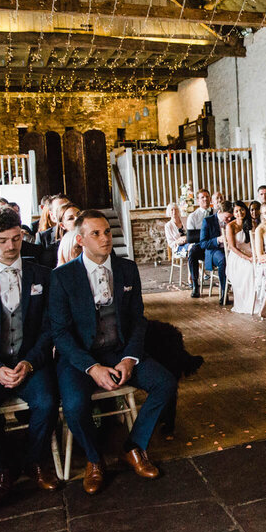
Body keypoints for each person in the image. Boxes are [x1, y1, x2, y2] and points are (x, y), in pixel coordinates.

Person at [49, 211, 177, 495]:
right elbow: (60, 333)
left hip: (119, 351)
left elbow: (138, 319)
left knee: (165, 382)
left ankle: (133, 447)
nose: (105, 238)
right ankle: (94, 461)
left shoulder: (126, 269)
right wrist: (91, 367)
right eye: (96, 234)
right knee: (74, 405)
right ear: (80, 240)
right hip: (80, 358)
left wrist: (129, 359)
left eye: (107, 231)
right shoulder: (62, 277)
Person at [0, 207, 60, 503]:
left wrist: (30, 362)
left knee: (47, 402)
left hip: (31, 359)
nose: (10, 246)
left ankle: (34, 460)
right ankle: (2, 467)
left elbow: (50, 327)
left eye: (16, 238)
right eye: (2, 240)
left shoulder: (42, 274)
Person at [224, 201, 256, 314]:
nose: (239, 213)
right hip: (237, 256)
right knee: (249, 268)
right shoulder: (230, 226)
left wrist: (255, 255)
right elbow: (232, 247)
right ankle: (249, 303)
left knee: (262, 266)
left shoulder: (251, 222)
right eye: (236, 211)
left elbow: (255, 242)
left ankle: (261, 301)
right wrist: (246, 257)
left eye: (242, 210)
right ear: (233, 213)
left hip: (251, 252)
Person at [199, 201, 232, 306]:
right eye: (226, 218)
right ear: (219, 212)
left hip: (231, 249)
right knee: (223, 260)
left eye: (230, 218)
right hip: (214, 251)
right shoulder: (207, 221)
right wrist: (218, 240)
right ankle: (224, 291)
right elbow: (203, 244)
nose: (229, 220)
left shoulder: (232, 220)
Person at [185, 189, 212, 297]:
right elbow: (191, 237)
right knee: (192, 252)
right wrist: (207, 235)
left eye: (207, 196)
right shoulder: (193, 216)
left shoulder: (216, 213)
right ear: (198, 200)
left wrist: (200, 234)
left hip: (214, 245)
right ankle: (195, 284)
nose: (205, 199)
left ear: (210, 198)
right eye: (202, 197)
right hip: (201, 247)